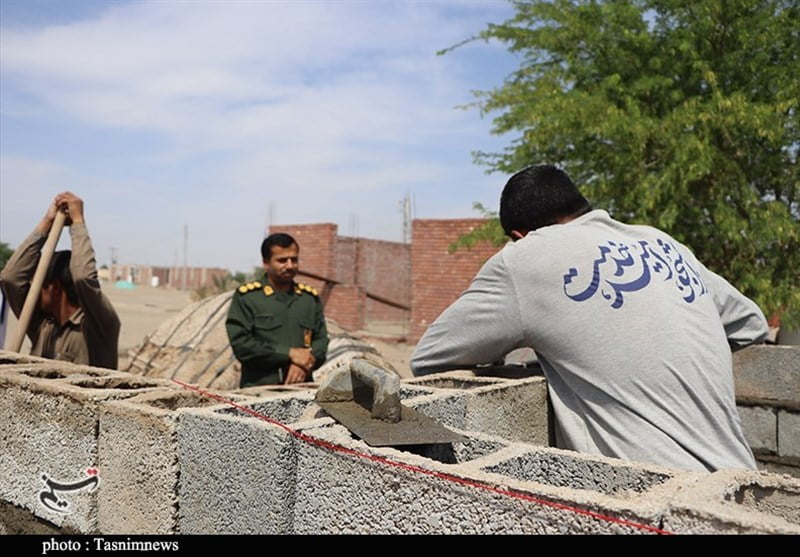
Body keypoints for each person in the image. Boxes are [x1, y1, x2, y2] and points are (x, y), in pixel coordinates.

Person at [410, 164, 769, 473]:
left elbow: (430, 356)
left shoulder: (525, 257)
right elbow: (751, 324)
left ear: (519, 235)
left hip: (653, 504)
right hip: (737, 491)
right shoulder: (663, 243)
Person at [0, 191, 120, 369]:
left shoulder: (97, 325)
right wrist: (46, 223)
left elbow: (83, 278)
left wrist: (78, 223)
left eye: (37, 285)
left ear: (55, 287)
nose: (32, 290)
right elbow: (10, 278)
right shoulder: (41, 324)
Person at [226, 232, 329, 387]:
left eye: (294, 259)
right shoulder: (248, 298)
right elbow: (242, 345)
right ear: (266, 263)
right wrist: (289, 354)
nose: (289, 265)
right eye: (282, 260)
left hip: (301, 389)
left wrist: (302, 363)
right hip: (259, 391)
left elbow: (321, 341)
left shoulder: (309, 299)